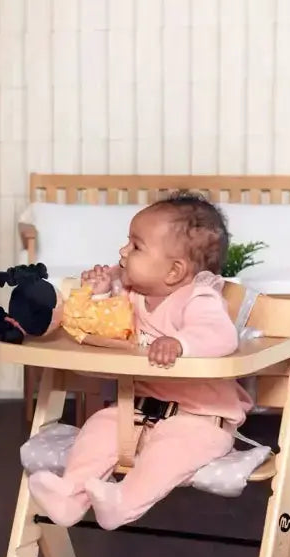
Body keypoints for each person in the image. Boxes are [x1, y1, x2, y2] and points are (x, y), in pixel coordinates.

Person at [27, 192, 252, 530]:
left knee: (167, 456)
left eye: (135, 246)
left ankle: (124, 502)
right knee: (99, 428)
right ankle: (70, 495)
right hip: (140, 412)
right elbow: (112, 328)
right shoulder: (133, 298)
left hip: (200, 422)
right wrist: (101, 294)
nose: (122, 252)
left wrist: (180, 343)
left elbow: (221, 336)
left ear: (175, 270)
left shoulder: (199, 298)